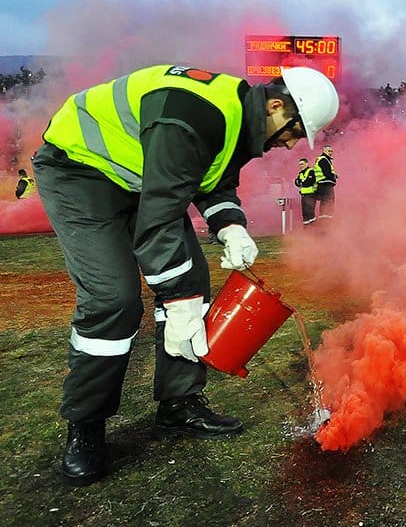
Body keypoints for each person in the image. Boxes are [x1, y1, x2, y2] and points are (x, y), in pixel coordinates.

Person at [31, 64, 339, 486]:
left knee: (191, 280)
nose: (289, 145)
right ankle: (86, 426)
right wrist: (177, 304)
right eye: (292, 132)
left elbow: (214, 181)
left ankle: (179, 404)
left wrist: (230, 226)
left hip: (140, 179)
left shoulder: (239, 116)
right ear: (275, 106)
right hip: (80, 170)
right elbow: (158, 220)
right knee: (113, 300)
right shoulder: (195, 114)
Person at [310, 144, 337, 221]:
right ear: (324, 151)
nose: (331, 153)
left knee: (325, 203)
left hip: (322, 185)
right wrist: (334, 176)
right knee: (328, 203)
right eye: (329, 151)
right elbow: (327, 173)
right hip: (325, 185)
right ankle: (326, 223)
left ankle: (324, 221)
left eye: (331, 151)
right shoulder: (324, 159)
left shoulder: (322, 159)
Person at [294, 157, 317, 225]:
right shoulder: (301, 173)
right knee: (305, 214)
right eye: (300, 164)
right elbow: (296, 182)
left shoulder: (311, 171)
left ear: (307, 164)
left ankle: (314, 229)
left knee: (310, 212)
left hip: (311, 195)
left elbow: (308, 183)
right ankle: (307, 230)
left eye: (302, 164)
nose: (301, 166)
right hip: (304, 195)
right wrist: (302, 182)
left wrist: (300, 182)